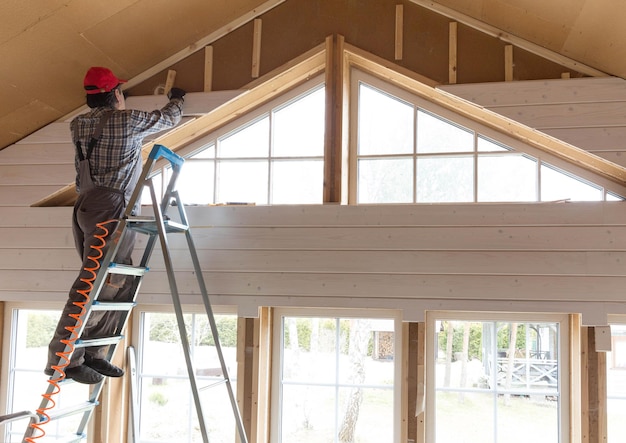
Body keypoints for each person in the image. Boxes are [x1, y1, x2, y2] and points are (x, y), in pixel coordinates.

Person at [45, 66, 186, 384]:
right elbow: (169, 118)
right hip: (111, 212)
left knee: (113, 282)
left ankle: (93, 351)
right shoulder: (127, 120)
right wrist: (177, 98)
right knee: (92, 285)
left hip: (86, 209)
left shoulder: (77, 124)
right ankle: (63, 358)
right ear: (116, 95)